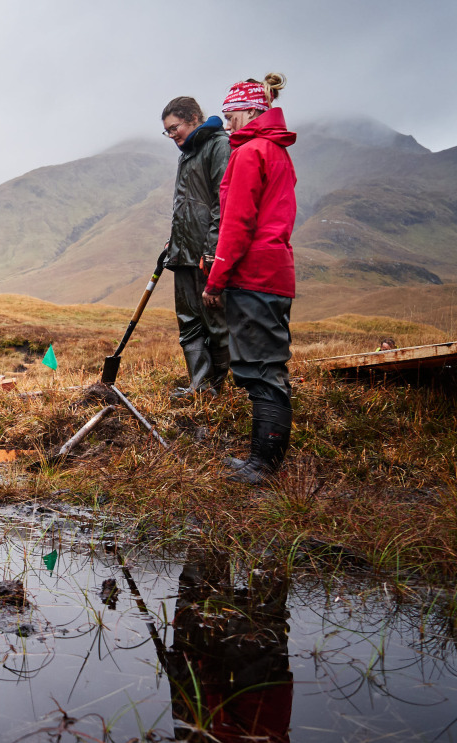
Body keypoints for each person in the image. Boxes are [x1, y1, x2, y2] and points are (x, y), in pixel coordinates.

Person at [203, 74, 297, 485]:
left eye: (231, 114)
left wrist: (215, 280)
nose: (227, 123)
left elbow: (237, 223)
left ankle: (263, 467)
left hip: (253, 274)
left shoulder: (250, 152)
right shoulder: (276, 152)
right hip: (274, 271)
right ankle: (260, 461)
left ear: (253, 110)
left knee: (262, 371)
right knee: (267, 368)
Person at [162, 95, 231, 399]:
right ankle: (200, 387)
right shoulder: (186, 154)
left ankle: (221, 387)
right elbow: (187, 206)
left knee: (216, 323)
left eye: (174, 127)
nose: (171, 134)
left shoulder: (219, 146)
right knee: (188, 322)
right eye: (167, 130)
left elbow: (221, 202)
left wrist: (212, 250)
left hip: (206, 254)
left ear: (192, 117)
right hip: (183, 253)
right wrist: (174, 240)